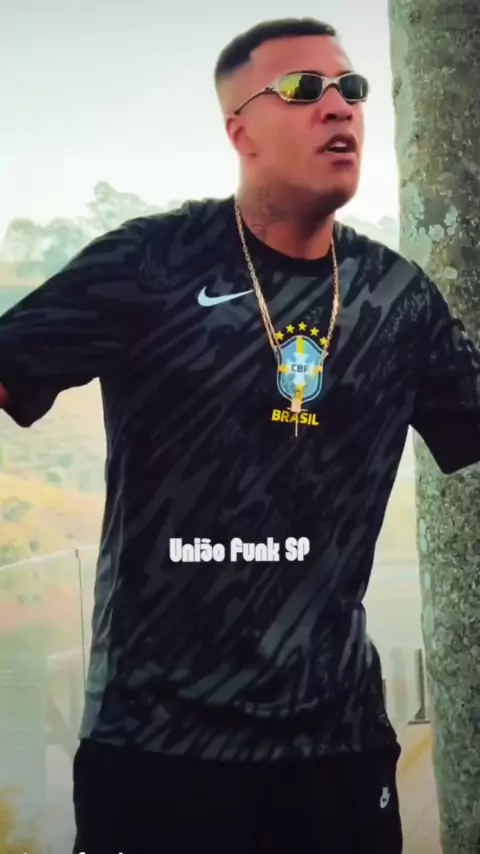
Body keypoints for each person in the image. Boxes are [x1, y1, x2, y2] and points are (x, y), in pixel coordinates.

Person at [1, 15, 479, 854]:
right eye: (303, 88)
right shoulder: (153, 260)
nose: (339, 106)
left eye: (351, 88)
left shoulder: (398, 298)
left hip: (337, 748)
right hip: (158, 747)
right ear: (240, 131)